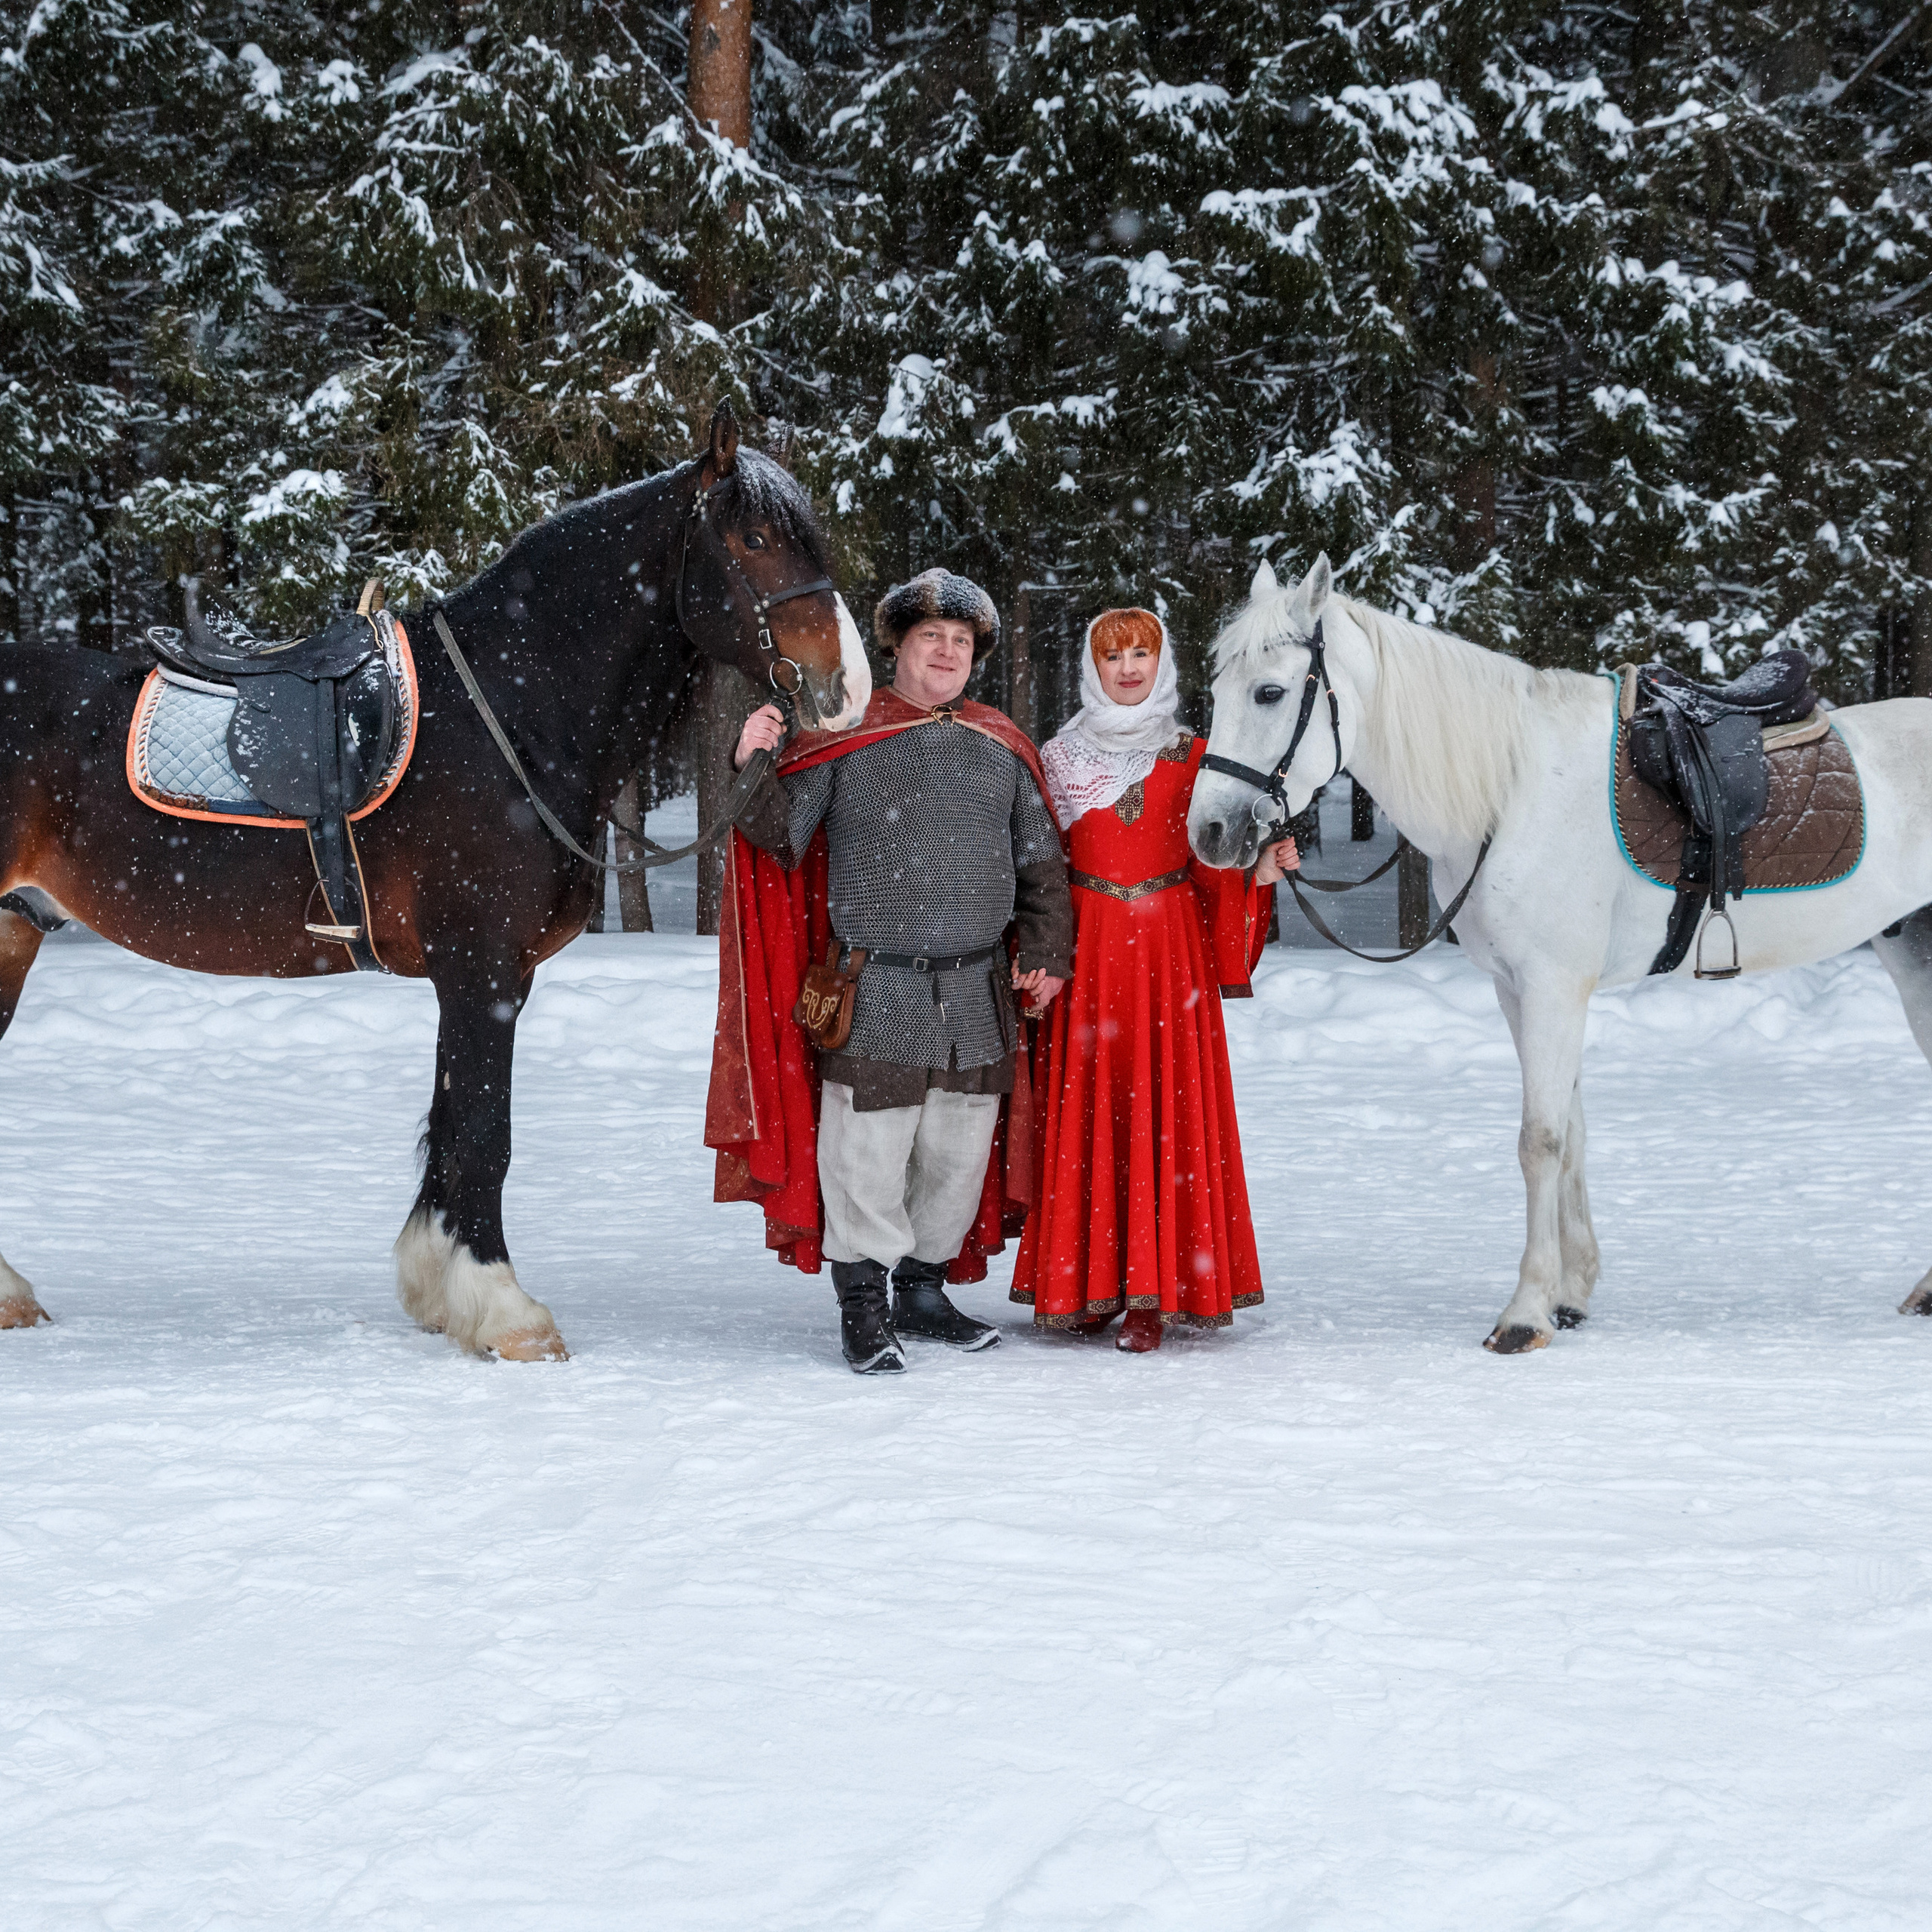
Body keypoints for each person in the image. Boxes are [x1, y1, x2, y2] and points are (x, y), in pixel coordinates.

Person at [706, 568, 1073, 1374]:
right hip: (876, 986)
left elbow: (1042, 865)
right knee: (866, 1152)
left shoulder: (999, 744)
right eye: (929, 639)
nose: (945, 653)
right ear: (897, 648)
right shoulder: (847, 735)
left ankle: (924, 1290)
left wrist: (1045, 954)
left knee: (954, 1154)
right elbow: (780, 841)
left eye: (960, 642)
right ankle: (863, 1305)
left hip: (977, 990)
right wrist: (753, 761)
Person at [1008, 607, 1296, 1352]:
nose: (1128, 667)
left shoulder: (1195, 754)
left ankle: (1155, 1293)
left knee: (1163, 1114)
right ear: (1091, 666)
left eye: (1142, 652)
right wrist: (1036, 953)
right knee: (1090, 1120)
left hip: (1170, 960)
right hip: (1089, 955)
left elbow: (1213, 870)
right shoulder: (1058, 758)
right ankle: (1086, 1281)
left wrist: (1258, 872)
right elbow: (1036, 870)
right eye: (1113, 656)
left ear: (1161, 663)